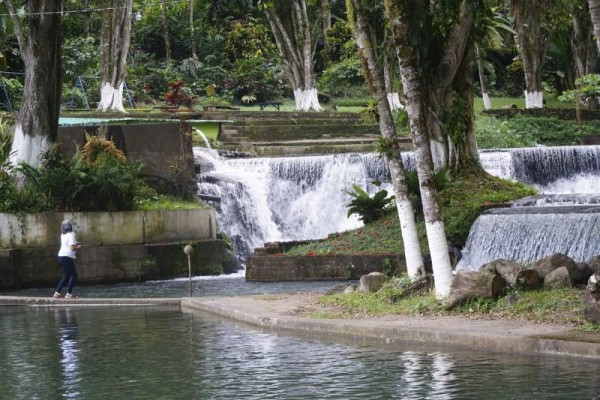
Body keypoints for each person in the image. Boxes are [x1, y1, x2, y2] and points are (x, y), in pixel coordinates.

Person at [53, 220, 81, 299]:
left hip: (61, 256)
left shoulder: (62, 235)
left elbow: (69, 244)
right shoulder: (70, 235)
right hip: (66, 257)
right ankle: (69, 294)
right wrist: (77, 247)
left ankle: (57, 293)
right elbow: (72, 248)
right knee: (74, 275)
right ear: (70, 227)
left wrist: (75, 244)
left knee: (67, 275)